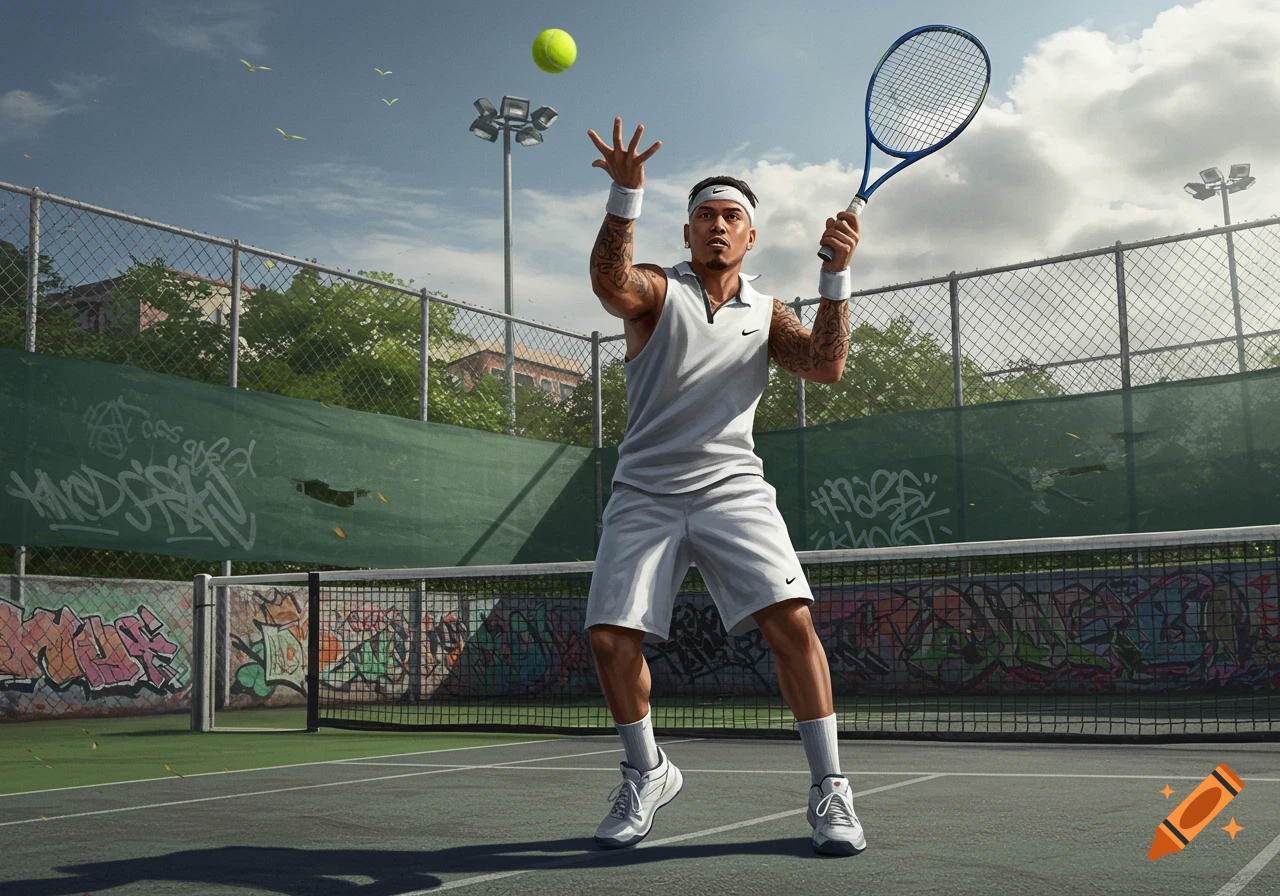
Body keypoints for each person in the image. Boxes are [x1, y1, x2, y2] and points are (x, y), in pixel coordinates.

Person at [584, 117, 864, 857]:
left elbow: (824, 365)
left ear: (749, 239)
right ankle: (647, 773)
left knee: (791, 624)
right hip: (644, 491)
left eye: (731, 217)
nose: (717, 225)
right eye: (706, 215)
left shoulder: (767, 312)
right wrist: (625, 193)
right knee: (610, 639)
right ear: (686, 233)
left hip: (732, 491)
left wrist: (835, 276)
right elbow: (611, 283)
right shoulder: (655, 293)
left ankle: (831, 789)